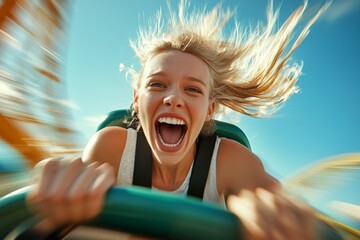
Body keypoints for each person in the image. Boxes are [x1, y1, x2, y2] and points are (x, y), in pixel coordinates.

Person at [26, 1, 331, 239]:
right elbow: (78, 207)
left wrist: (270, 212)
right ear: (136, 99)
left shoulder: (229, 159)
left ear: (210, 110)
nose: (173, 98)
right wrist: (62, 195)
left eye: (192, 89)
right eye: (157, 84)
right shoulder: (113, 146)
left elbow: (262, 194)